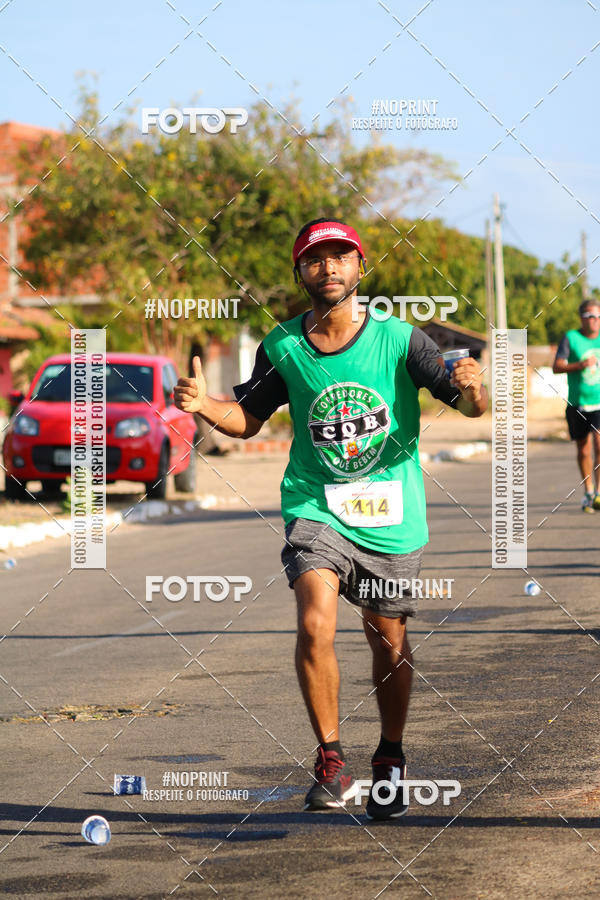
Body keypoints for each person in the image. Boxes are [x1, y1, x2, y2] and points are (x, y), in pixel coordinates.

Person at [174, 218, 487, 819]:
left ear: (360, 268)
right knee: (314, 620)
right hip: (317, 506)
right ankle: (332, 760)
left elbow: (468, 406)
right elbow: (249, 416)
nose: (330, 268)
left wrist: (473, 389)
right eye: (316, 260)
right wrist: (204, 407)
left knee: (386, 639)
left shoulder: (402, 340)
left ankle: (390, 755)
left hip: (390, 513)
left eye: (341, 257)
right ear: (301, 272)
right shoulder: (283, 346)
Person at [553, 299, 600, 513]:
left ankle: (599, 493)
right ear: (582, 317)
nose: (595, 320)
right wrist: (580, 365)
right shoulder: (571, 338)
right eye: (591, 316)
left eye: (598, 316)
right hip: (578, 403)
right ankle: (588, 491)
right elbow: (557, 366)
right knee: (584, 449)